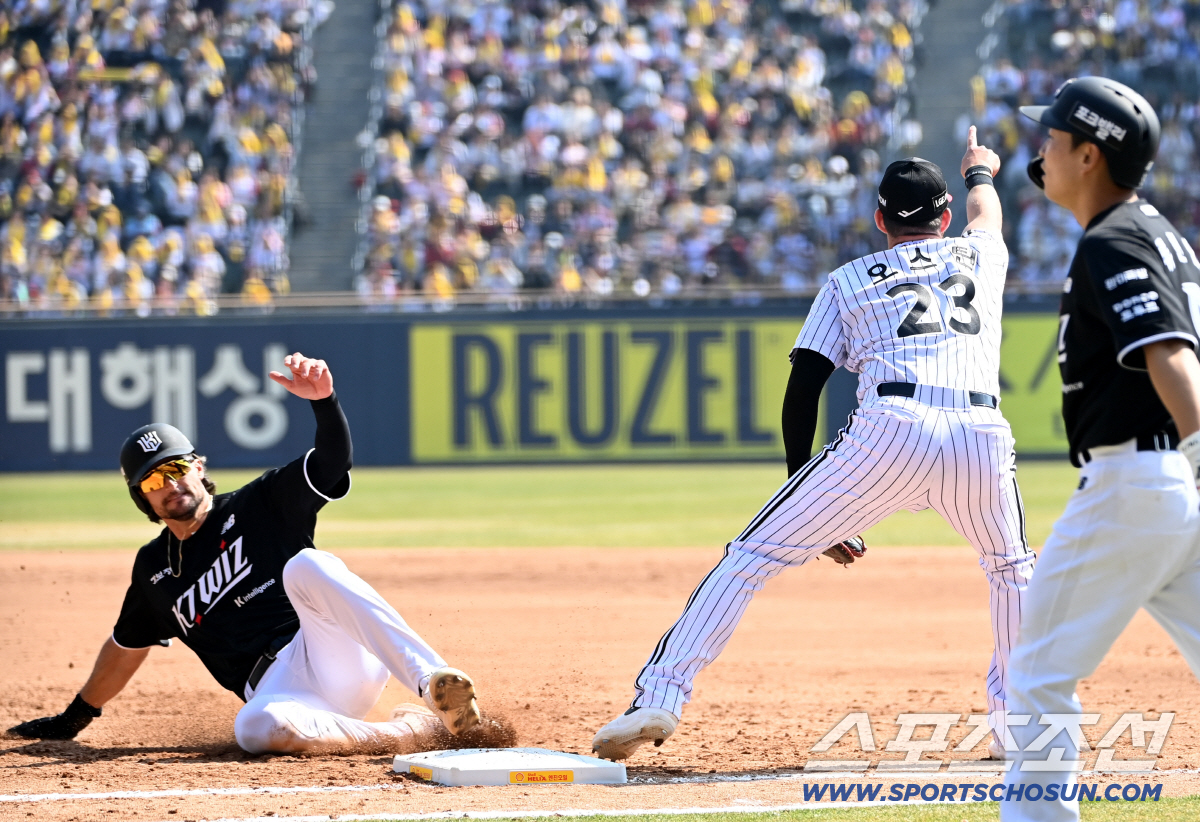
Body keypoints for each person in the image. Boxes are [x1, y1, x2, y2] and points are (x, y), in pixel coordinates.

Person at [593, 129, 1035, 761]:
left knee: (751, 557)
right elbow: (986, 214)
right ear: (944, 218)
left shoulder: (849, 280)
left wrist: (807, 487)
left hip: (891, 430)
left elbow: (804, 388)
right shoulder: (981, 257)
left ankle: (659, 697)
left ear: (879, 219)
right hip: (982, 434)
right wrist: (980, 173)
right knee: (1011, 570)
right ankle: (1017, 730)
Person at [7, 353, 484, 755]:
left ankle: (433, 685)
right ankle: (408, 733)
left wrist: (325, 404)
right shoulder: (153, 570)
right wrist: (75, 718)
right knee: (254, 729)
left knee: (308, 564)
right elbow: (125, 647)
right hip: (281, 693)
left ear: (198, 466)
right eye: (153, 481)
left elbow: (331, 463)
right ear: (142, 498)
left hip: (328, 649)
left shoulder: (262, 502)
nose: (170, 486)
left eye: (176, 468)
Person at [1002, 77, 1200, 821]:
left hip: (1135, 481)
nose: (1040, 151)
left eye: (1051, 139)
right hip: (1169, 487)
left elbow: (1170, 349)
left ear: (1089, 155)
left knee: (1038, 676)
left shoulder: (1113, 238)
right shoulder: (1160, 231)